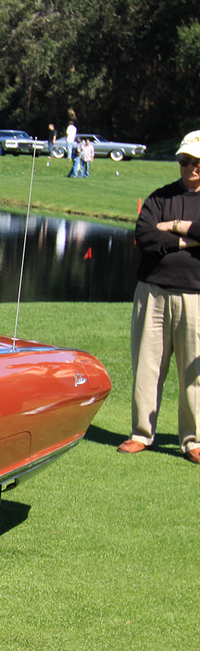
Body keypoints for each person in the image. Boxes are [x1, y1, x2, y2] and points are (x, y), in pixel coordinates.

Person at [120, 129, 200, 463]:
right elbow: (144, 236)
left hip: (195, 296)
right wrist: (185, 239)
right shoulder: (160, 197)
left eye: (197, 162)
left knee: (193, 373)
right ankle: (141, 433)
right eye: (185, 161)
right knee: (147, 366)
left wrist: (174, 225)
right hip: (151, 292)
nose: (190, 168)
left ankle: (193, 440)